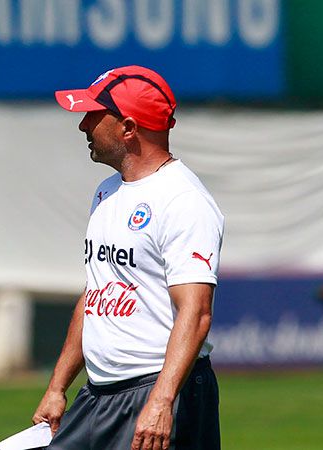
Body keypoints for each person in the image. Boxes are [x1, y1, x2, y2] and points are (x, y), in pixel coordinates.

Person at [32, 65, 224, 450]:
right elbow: (96, 294)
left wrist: (161, 402)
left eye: (93, 115)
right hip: (99, 395)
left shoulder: (184, 201)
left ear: (129, 128)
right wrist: (57, 387)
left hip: (156, 392)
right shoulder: (107, 192)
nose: (83, 126)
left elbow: (197, 311)